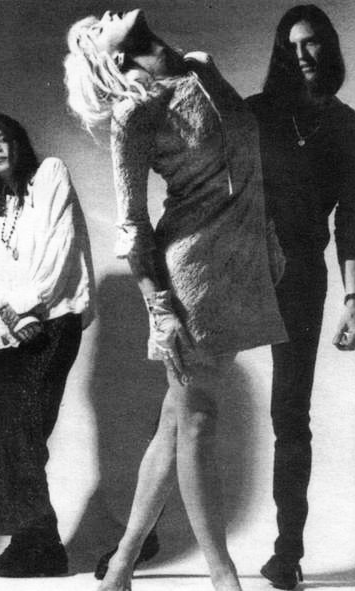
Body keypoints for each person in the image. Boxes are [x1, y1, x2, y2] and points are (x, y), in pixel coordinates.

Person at [64, 9, 287, 591]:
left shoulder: (201, 67)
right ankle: (223, 575)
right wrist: (158, 309)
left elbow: (246, 160)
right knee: (197, 418)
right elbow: (132, 223)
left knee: (176, 421)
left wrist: (267, 238)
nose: (107, 12)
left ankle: (120, 566)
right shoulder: (135, 112)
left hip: (239, 262)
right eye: (97, 26)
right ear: (112, 59)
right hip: (190, 276)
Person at [246, 5, 355, 590]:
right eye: (291, 47)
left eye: (311, 42)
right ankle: (144, 537)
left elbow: (353, 222)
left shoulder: (347, 126)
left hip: (302, 275)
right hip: (240, 267)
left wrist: (354, 297)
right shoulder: (258, 112)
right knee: (188, 404)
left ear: (328, 46)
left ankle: (287, 554)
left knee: (290, 416)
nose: (303, 54)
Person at [0, 113, 95, 577]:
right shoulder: (3, 210)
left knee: (24, 431)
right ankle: (26, 543)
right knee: (10, 437)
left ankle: (46, 549)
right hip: (12, 332)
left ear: (19, 142)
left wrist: (26, 308)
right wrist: (11, 314)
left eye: (3, 139)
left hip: (53, 320)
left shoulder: (51, 174)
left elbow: (60, 248)